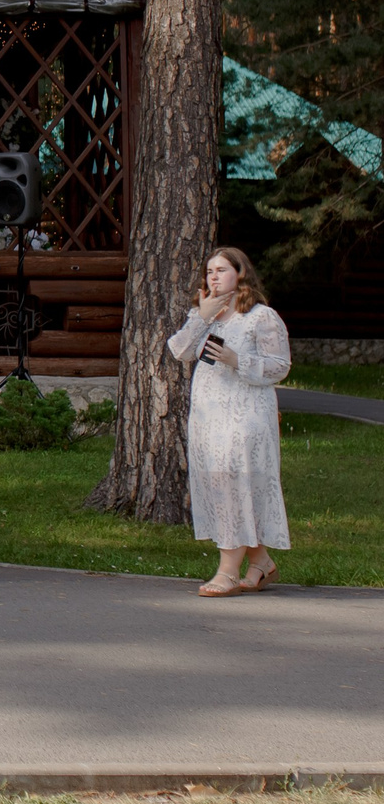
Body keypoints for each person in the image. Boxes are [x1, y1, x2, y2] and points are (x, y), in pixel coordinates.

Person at [167, 247, 292, 597]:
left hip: (246, 416)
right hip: (210, 418)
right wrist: (201, 317)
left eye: (222, 270)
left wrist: (239, 360)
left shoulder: (260, 316)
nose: (214, 277)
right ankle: (261, 564)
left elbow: (280, 366)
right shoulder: (206, 313)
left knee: (235, 485)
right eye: (209, 271)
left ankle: (228, 571)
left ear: (241, 273)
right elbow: (179, 351)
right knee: (221, 485)